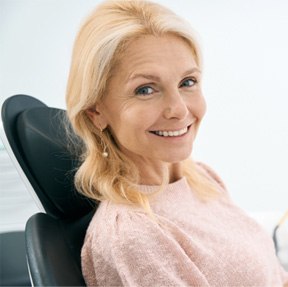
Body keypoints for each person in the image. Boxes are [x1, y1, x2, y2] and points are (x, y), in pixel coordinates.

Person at [65, 0, 288, 286]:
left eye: (187, 82)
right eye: (145, 89)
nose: (179, 110)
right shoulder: (134, 236)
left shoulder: (201, 178)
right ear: (96, 112)